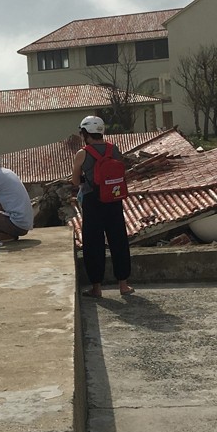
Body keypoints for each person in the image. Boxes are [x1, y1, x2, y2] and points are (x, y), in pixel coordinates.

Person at [71, 116, 135, 298]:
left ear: (85, 133)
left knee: (94, 244)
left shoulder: (82, 153)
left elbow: (75, 181)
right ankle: (123, 285)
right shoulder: (114, 149)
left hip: (93, 201)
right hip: (114, 199)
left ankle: (96, 288)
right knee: (119, 240)